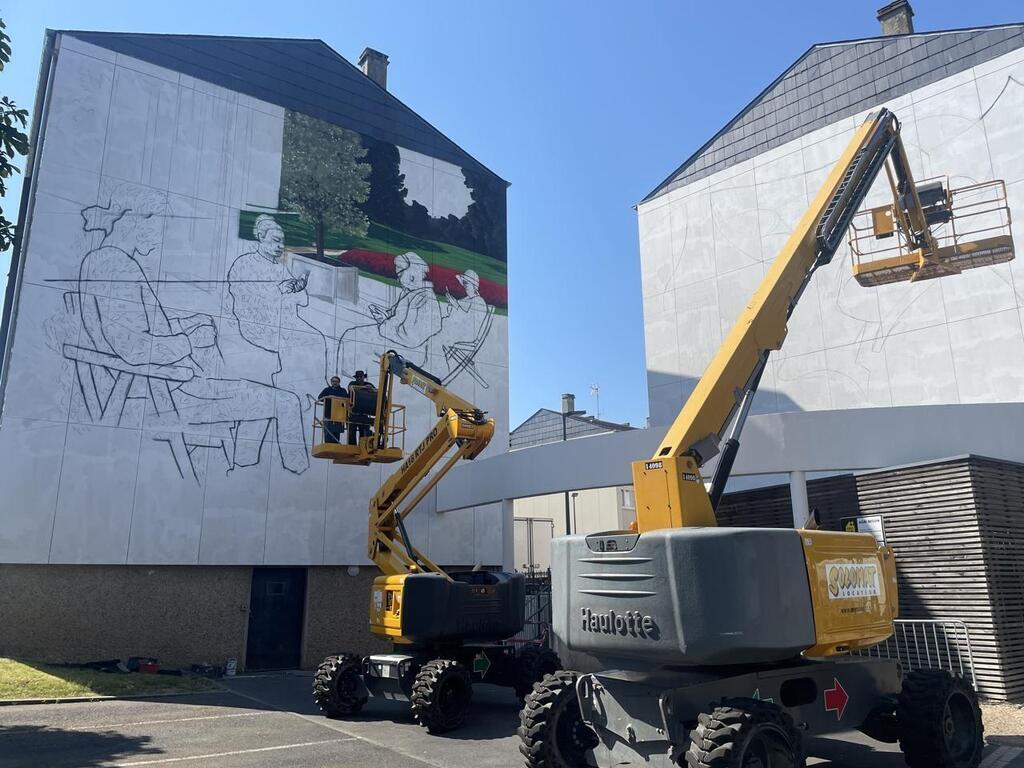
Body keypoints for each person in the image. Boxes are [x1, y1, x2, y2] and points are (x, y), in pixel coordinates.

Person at [346, 370, 377, 445]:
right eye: (358, 377)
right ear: (356, 378)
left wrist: (372, 389)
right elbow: (350, 388)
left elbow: (376, 392)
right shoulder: (352, 383)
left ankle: (362, 446)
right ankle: (352, 446)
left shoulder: (369, 384)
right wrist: (364, 388)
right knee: (351, 431)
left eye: (361, 377)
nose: (359, 378)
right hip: (353, 412)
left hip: (364, 412)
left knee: (364, 431)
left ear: (364, 377)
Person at [317, 376, 348, 444]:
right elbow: (319, 398)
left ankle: (335, 446)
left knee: (336, 434)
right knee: (328, 433)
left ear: (339, 382)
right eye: (333, 381)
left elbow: (347, 399)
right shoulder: (327, 390)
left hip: (338, 416)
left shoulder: (342, 390)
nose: (335, 383)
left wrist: (335, 398)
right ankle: (327, 445)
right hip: (328, 414)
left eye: (336, 381)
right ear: (331, 382)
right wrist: (328, 397)